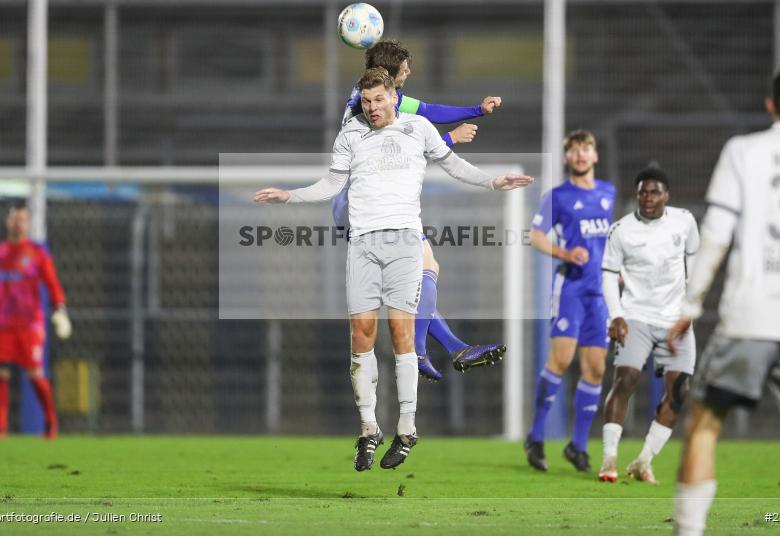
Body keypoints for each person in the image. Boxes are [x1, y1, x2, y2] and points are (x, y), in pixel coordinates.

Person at [256, 68, 532, 471]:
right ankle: (369, 430)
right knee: (361, 335)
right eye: (366, 102)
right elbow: (331, 184)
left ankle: (406, 430)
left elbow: (454, 165)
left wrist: (493, 183)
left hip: (404, 243)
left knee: (402, 334)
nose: (372, 108)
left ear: (393, 98)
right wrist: (290, 196)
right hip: (362, 245)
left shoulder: (418, 128)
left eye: (379, 100)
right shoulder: (351, 134)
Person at [668, 65, 780, 536]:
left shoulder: (743, 151)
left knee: (704, 424)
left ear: (770, 105)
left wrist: (690, 306)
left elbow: (717, 234)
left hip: (752, 316)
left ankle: (689, 531)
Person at [335, 39, 507, 382]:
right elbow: (400, 154)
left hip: (360, 205)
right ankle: (417, 352)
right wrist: (451, 139)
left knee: (418, 278)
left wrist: (477, 110)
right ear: (390, 73)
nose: (409, 72)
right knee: (424, 269)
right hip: (365, 207)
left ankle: (455, 348)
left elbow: (428, 110)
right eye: (405, 69)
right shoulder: (372, 107)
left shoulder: (374, 96)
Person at [598, 167, 699, 484]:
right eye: (643, 192)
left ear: (666, 195)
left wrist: (691, 307)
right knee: (625, 379)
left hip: (675, 322)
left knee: (680, 392)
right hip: (636, 316)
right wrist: (616, 315)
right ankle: (609, 459)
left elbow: (694, 263)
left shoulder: (685, 221)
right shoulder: (621, 230)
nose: (648, 198)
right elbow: (608, 275)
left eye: (655, 192)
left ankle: (643, 461)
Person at [525, 129, 616, 472]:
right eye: (574, 150)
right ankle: (535, 436)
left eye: (585, 149)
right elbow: (535, 236)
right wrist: (565, 253)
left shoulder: (608, 193)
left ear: (595, 155)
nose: (580, 155)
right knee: (561, 360)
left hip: (600, 294)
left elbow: (612, 239)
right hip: (571, 290)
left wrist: (617, 270)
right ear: (567, 158)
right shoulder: (558, 197)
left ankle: (577, 446)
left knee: (596, 368)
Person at [0, 201, 72, 439]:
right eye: (14, 218)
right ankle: (0, 429)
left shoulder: (37, 254)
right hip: (2, 323)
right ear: (7, 221)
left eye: (22, 219)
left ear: (28, 223)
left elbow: (52, 283)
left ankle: (50, 420)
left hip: (29, 323)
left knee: (34, 374)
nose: (18, 223)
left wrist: (60, 309)